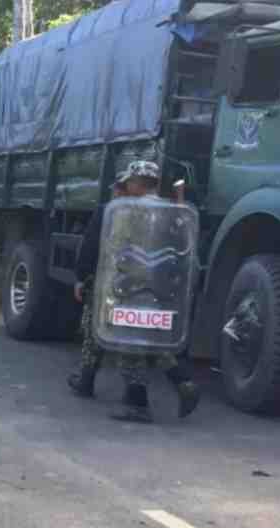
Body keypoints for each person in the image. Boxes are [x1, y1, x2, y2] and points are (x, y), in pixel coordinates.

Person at [67, 160, 200, 423]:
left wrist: (81, 278)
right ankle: (182, 383)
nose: (125, 186)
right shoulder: (172, 212)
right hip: (157, 289)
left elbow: (92, 247)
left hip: (119, 286)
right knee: (143, 336)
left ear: (136, 183)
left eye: (128, 181)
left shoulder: (116, 211)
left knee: (125, 339)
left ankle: (137, 403)